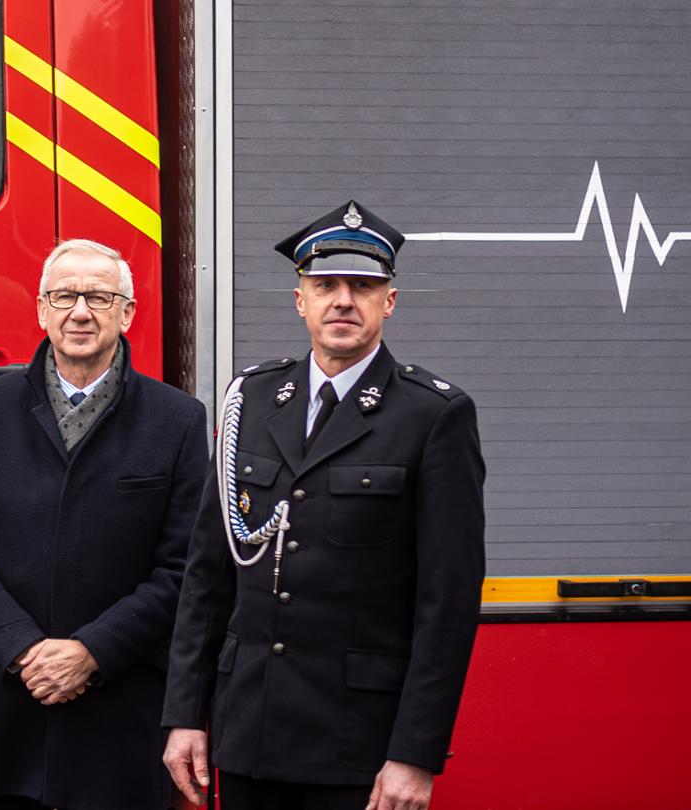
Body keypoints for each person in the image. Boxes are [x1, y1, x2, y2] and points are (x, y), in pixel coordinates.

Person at [162, 201, 486, 810]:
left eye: (363, 287)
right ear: (299, 300)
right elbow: (207, 576)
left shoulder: (434, 415)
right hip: (250, 730)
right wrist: (186, 714)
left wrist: (413, 754)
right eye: (325, 285)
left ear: (388, 302)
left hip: (358, 744)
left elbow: (446, 605)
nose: (343, 301)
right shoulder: (251, 400)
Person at [0, 239, 209, 809]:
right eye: (64, 296)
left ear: (127, 313)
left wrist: (91, 651)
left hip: (118, 712)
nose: (79, 311)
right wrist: (24, 649)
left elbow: (184, 570)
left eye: (99, 297)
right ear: (41, 309)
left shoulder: (177, 420)